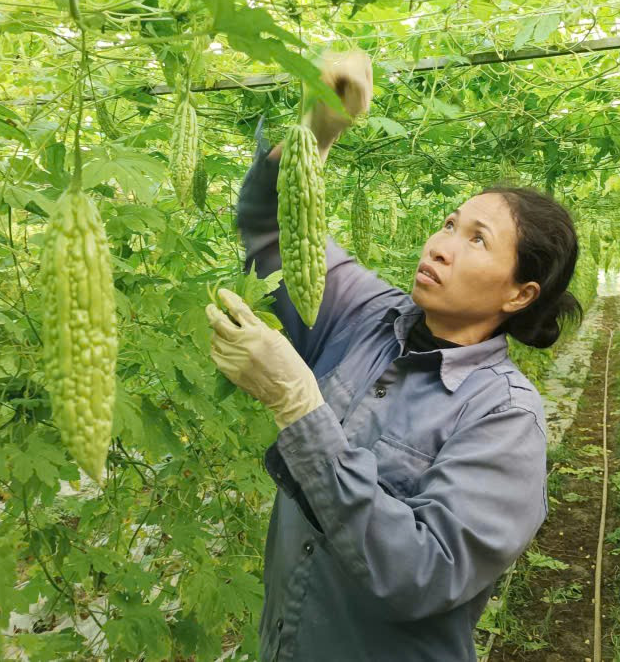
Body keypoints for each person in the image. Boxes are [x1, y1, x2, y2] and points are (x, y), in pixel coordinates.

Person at [204, 48, 583, 661]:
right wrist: (316, 130)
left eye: (476, 240)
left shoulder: (506, 418)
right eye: (449, 223)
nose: (440, 245)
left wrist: (299, 407)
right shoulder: (366, 312)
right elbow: (273, 228)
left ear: (520, 292)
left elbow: (426, 573)